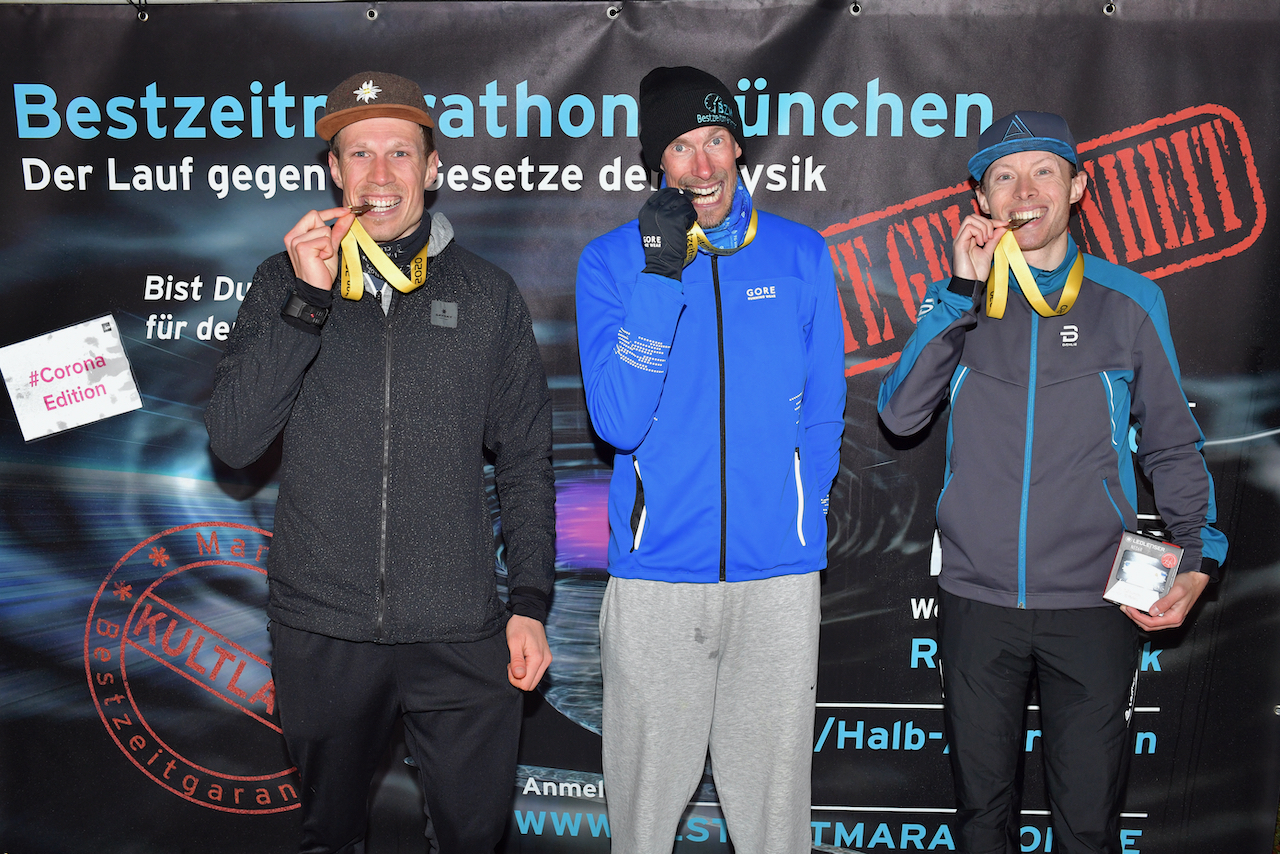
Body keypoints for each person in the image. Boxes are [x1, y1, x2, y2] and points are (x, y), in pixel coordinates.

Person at [205, 71, 555, 854]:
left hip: (463, 628)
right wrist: (307, 301)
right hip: (322, 627)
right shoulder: (282, 284)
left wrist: (529, 599)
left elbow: (528, 458)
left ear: (433, 168)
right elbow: (233, 441)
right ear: (334, 172)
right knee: (331, 837)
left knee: (474, 839)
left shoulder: (487, 295)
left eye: (400, 152)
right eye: (358, 153)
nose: (380, 174)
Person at [877, 111, 1228, 853]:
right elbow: (901, 414)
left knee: (1088, 828)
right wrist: (956, 295)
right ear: (982, 201)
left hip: (1094, 603)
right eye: (1002, 176)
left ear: (1078, 186)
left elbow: (1171, 443)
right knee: (981, 823)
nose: (1023, 190)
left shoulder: (1128, 300)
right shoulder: (962, 303)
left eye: (1042, 171)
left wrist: (1198, 560)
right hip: (978, 602)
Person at [575, 66, 846, 854]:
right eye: (681, 147)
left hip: (778, 579)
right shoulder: (612, 262)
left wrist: (803, 511)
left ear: (738, 148)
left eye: (716, 140)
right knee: (643, 823)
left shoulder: (800, 254)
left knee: (774, 826)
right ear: (655, 163)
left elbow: (825, 408)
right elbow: (618, 422)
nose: (702, 166)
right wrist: (662, 276)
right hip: (657, 576)